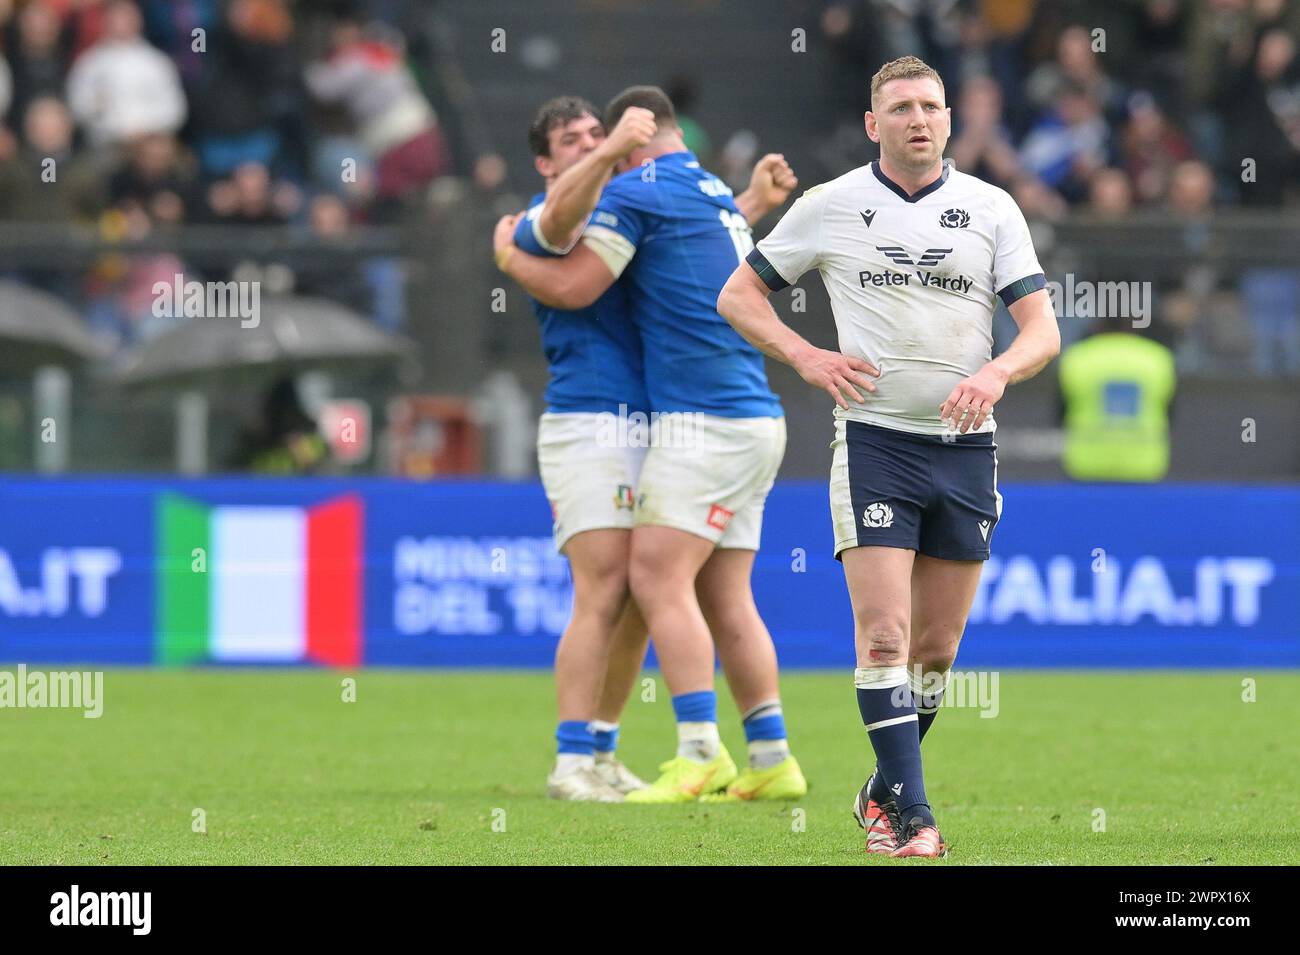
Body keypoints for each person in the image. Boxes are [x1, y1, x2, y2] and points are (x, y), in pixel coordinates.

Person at [717, 56, 1060, 856]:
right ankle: (914, 816)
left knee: (935, 653)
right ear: (875, 124)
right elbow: (739, 294)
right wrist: (806, 356)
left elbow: (1042, 329)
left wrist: (997, 369)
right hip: (874, 443)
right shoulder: (831, 205)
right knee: (883, 638)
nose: (919, 119)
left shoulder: (991, 207)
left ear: (949, 119)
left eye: (931, 106)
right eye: (901, 107)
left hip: (966, 451)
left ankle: (884, 783)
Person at [494, 86, 807, 804]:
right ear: (546, 162)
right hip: (593, 421)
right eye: (572, 139)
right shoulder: (557, 213)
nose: (591, 142)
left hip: (674, 423)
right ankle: (577, 758)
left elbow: (687, 249)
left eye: (594, 133)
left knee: (647, 593)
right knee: (608, 585)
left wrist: (746, 203)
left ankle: (607, 749)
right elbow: (572, 285)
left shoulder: (631, 200)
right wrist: (511, 256)